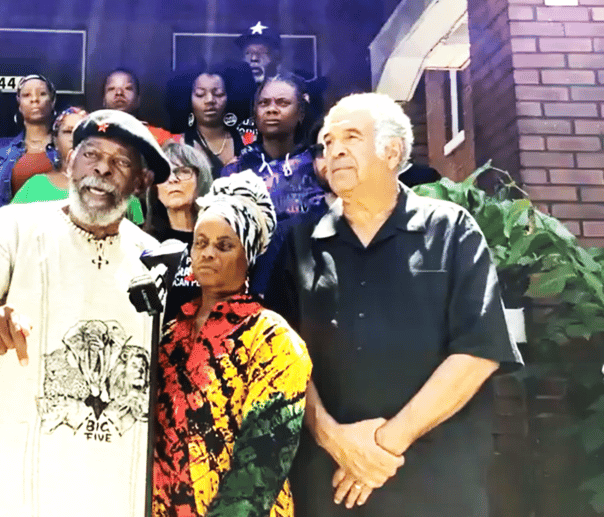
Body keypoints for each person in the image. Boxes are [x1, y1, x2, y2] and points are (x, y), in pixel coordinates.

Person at [266, 93, 522, 517]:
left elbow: (479, 350)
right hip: (328, 484)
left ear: (392, 151)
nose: (335, 150)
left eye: (351, 136)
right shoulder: (296, 245)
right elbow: (280, 361)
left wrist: (382, 448)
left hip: (435, 484)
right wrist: (334, 439)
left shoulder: (451, 231)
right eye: (328, 142)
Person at [0, 109, 171, 516]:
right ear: (70, 162)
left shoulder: (153, 261)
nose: (102, 170)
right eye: (91, 155)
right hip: (17, 496)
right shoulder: (14, 227)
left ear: (141, 182)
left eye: (121, 162)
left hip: (112, 500)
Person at [154, 171, 311, 517]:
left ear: (248, 256)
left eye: (225, 245)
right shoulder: (168, 333)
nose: (208, 253)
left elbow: (263, 464)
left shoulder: (272, 338)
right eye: (200, 242)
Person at [13, 107, 144, 224]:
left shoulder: (118, 186)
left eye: (80, 130)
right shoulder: (35, 186)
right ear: (55, 140)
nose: (74, 136)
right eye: (68, 131)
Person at [232, 75, 326, 220]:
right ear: (255, 113)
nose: (272, 110)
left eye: (282, 103)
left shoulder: (318, 166)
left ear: (301, 113)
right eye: (264, 103)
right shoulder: (237, 169)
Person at [143, 142, 213, 320]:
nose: (173, 179)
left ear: (201, 179)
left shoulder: (219, 239)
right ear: (154, 188)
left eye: (183, 171)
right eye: (165, 174)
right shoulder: (144, 243)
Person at [0, 74, 59, 214]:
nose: (34, 99)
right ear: (19, 104)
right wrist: (12, 217)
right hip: (11, 228)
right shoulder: (0, 148)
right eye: (27, 95)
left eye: (42, 94)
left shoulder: (65, 146)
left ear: (52, 101)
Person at [173, 65, 251, 178]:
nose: (210, 100)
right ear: (188, 99)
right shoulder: (178, 144)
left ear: (230, 98)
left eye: (218, 94)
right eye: (200, 94)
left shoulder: (248, 140)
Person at [102, 68, 175, 145]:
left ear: (138, 100)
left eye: (128, 88)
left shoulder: (159, 136)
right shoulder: (92, 132)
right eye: (111, 89)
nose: (119, 93)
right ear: (104, 100)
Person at [235, 21, 285, 87]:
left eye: (260, 53)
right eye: (248, 53)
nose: (254, 59)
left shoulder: (291, 86)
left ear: (276, 57)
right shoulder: (235, 86)